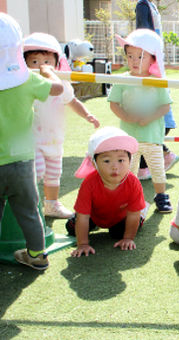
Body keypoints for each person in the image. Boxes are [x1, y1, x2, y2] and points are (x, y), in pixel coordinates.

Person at [0, 13, 64, 270]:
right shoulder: (27, 78)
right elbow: (58, 89)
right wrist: (49, 71)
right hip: (22, 162)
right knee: (29, 213)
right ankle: (37, 255)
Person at [23, 32, 100, 219]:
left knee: (53, 175)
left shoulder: (62, 84)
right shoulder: (28, 83)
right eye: (34, 62)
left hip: (55, 139)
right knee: (37, 171)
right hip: (33, 140)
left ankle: (51, 205)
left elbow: (72, 101)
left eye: (47, 61)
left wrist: (87, 115)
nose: (41, 67)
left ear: (57, 63)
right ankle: (28, 205)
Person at [108, 29, 173, 213]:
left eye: (140, 57)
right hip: (129, 138)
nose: (134, 61)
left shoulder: (157, 81)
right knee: (129, 170)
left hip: (152, 136)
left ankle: (161, 196)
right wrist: (127, 117)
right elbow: (113, 104)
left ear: (152, 59)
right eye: (130, 56)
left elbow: (165, 106)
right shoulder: (122, 80)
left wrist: (149, 118)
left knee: (157, 168)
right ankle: (129, 197)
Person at [68, 127, 147, 257]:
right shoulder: (89, 183)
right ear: (94, 164)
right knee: (72, 227)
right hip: (94, 216)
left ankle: (142, 215)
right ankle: (80, 220)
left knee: (118, 233)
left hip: (119, 217)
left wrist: (128, 238)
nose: (115, 166)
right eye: (106, 161)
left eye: (121, 160)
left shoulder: (133, 182)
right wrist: (82, 244)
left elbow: (133, 214)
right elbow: (83, 217)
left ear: (129, 161)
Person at [135, 0, 179, 181]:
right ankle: (157, 159)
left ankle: (152, 163)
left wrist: (138, 64)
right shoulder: (151, 7)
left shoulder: (143, 6)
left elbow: (142, 37)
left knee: (145, 121)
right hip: (155, 68)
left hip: (149, 70)